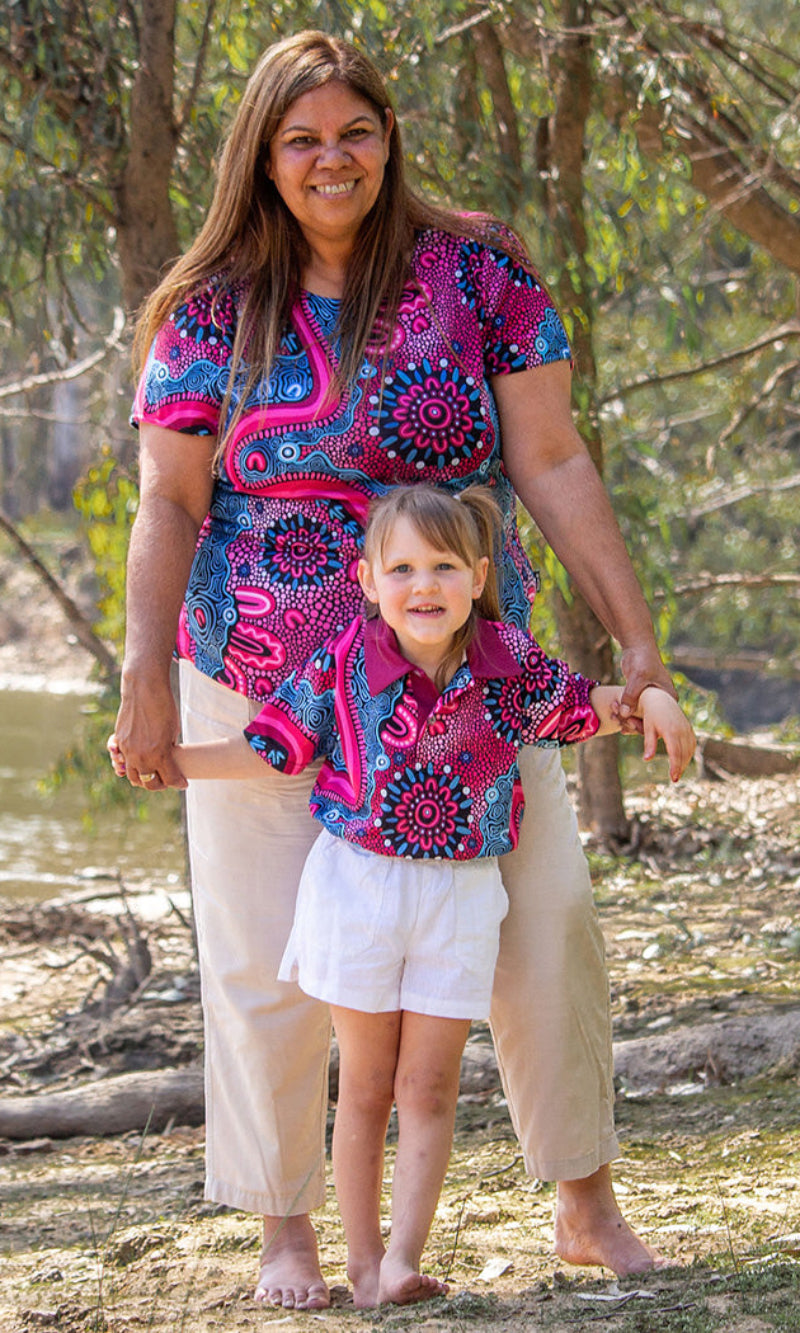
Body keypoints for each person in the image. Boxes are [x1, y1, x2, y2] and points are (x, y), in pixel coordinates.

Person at [111, 29, 686, 1310]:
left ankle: (583, 1202)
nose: (331, 159)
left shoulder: (476, 272)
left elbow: (551, 460)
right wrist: (144, 670)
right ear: (262, 153)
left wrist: (633, 641)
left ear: (389, 137)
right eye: (301, 137)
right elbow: (167, 498)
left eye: (353, 132)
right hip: (265, 676)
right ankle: (287, 1233)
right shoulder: (208, 309)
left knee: (545, 925)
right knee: (269, 963)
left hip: (467, 679)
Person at [135, 485, 693, 1308]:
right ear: (366, 579)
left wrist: (649, 699)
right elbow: (272, 747)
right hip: (358, 892)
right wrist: (172, 762)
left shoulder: (505, 664)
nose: (421, 584)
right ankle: (358, 1264)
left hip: (461, 898)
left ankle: (401, 1260)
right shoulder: (345, 664)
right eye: (401, 568)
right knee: (363, 1084)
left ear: (477, 575)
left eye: (441, 567)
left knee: (426, 1088)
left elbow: (580, 710)